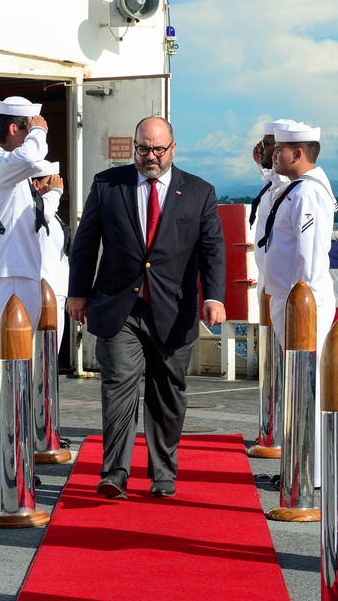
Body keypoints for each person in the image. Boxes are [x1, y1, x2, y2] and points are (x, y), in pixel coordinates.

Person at [67, 116, 226, 499]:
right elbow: (86, 241)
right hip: (120, 306)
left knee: (167, 393)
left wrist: (214, 296)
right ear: (135, 145)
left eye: (158, 149)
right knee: (118, 386)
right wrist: (77, 292)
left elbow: (212, 249)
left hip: (174, 310)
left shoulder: (199, 192)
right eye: (143, 148)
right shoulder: (108, 185)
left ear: (173, 148)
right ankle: (115, 472)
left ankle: (163, 473)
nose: (150, 156)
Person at [258, 121, 338, 485]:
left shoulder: (307, 193)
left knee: (307, 388)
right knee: (297, 388)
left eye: (280, 150)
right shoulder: (296, 189)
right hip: (288, 302)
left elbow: (308, 259)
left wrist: (298, 301)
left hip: (301, 304)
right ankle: (300, 464)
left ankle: (310, 470)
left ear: (298, 153)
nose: (273, 154)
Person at [0, 96, 50, 490]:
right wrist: (39, 130)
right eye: (28, 125)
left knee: (16, 375)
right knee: (4, 377)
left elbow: (36, 163)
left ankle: (8, 460)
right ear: (14, 129)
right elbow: (32, 157)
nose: (35, 131)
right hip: (8, 278)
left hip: (17, 275)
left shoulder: (10, 169)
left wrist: (35, 131)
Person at [249, 119, 293, 288]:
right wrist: (262, 164)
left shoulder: (292, 187)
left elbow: (280, 185)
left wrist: (266, 164)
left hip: (286, 284)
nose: (261, 148)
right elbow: (274, 182)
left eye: (265, 144)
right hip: (269, 279)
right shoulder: (274, 185)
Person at [33, 161, 71, 354]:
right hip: (43, 290)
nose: (56, 184)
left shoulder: (53, 215)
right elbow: (43, 213)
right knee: (42, 352)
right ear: (36, 185)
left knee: (51, 352)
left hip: (57, 290)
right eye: (50, 180)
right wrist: (55, 192)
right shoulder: (34, 210)